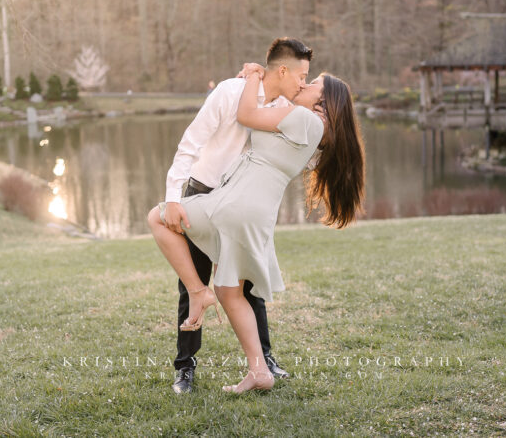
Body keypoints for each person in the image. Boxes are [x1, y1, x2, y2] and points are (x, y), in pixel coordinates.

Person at [148, 66, 365, 394]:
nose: (303, 84)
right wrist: (259, 81)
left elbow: (249, 114)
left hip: (234, 205)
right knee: (227, 290)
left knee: (166, 230)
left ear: (323, 103)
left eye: (311, 83)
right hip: (225, 197)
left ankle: (257, 355)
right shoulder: (305, 126)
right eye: (303, 77)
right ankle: (221, 367)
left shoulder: (300, 119)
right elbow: (202, 139)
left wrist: (252, 77)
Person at [158, 37, 313, 394]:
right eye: (301, 75)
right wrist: (174, 196)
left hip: (241, 204)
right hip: (203, 192)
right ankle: (185, 367)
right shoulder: (230, 92)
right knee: (192, 284)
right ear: (283, 69)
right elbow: (190, 143)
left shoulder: (284, 108)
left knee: (248, 284)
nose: (303, 82)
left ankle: (264, 361)